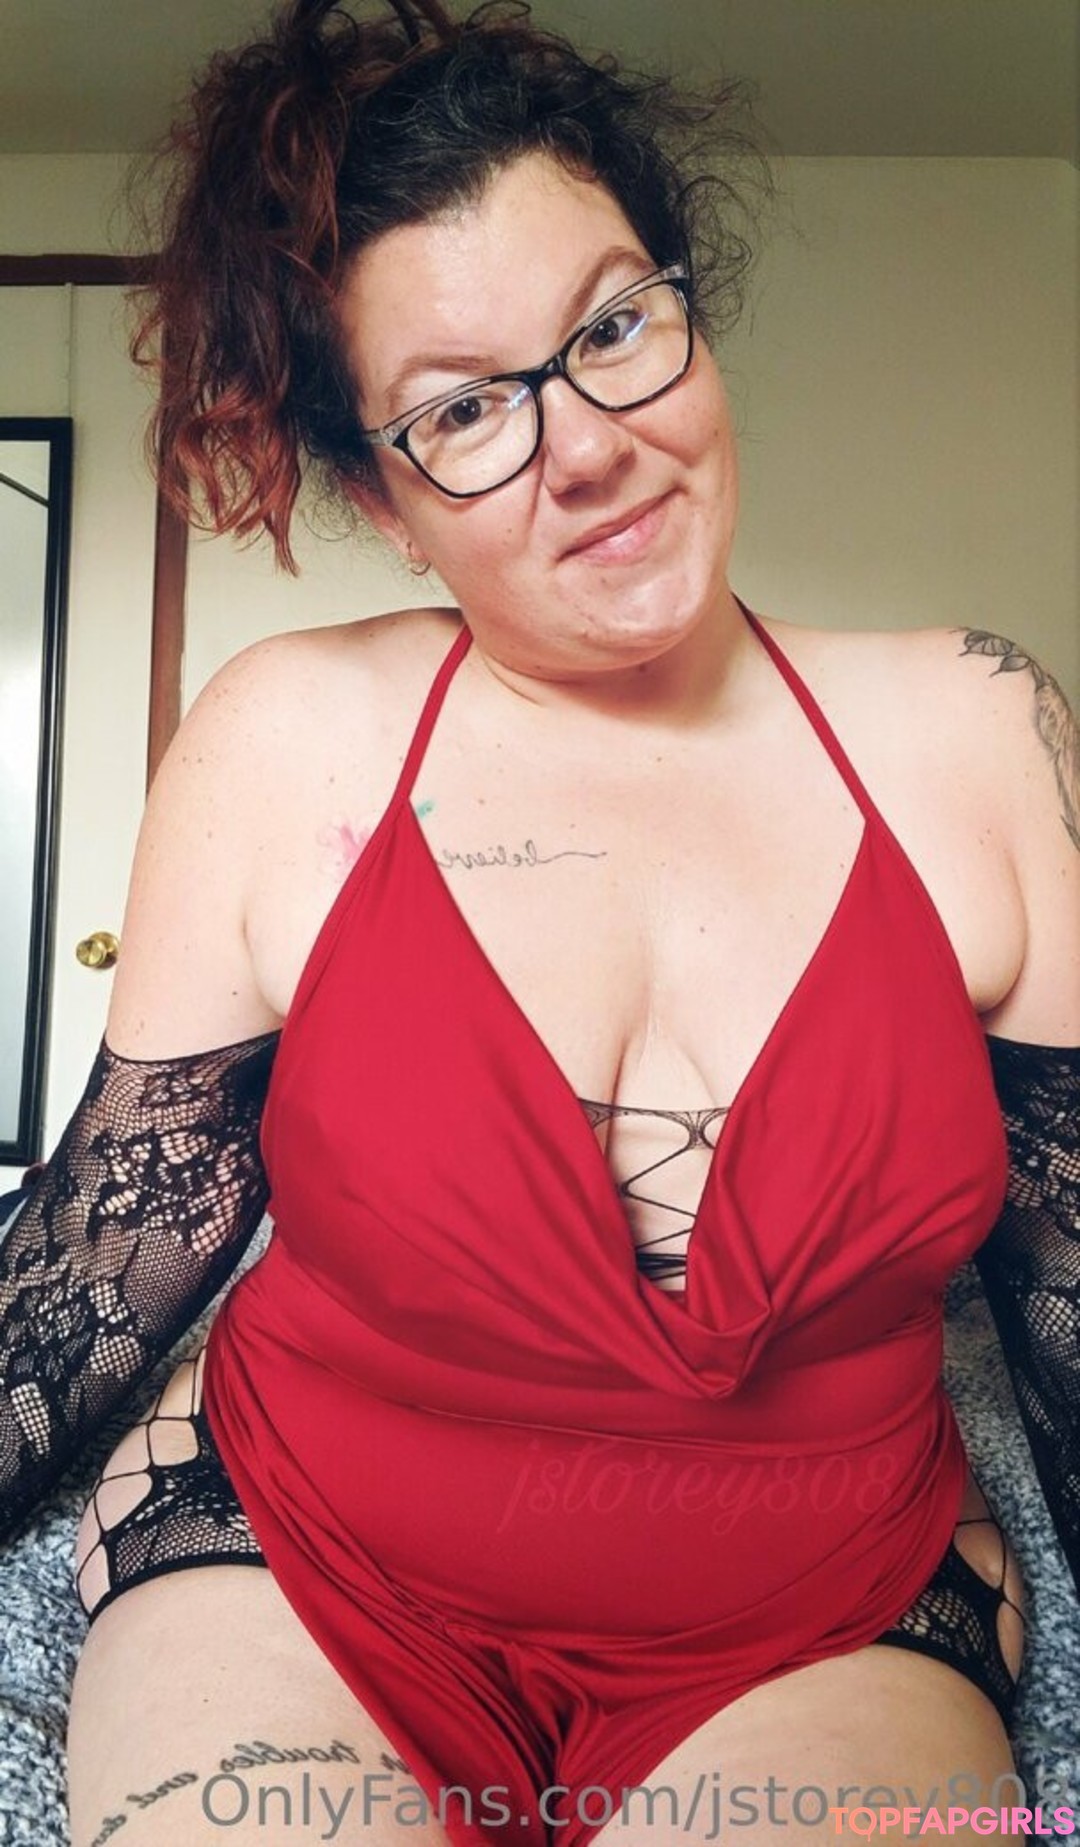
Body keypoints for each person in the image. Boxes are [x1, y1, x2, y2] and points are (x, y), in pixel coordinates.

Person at [0, 1, 1077, 1842]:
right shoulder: (285, 736)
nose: (586, 448)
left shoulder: (982, 726)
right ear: (383, 502)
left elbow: (1066, 1274)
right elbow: (121, 1227)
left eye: (612, 328)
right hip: (302, 1566)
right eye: (465, 410)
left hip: (829, 1610)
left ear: (689, 316)